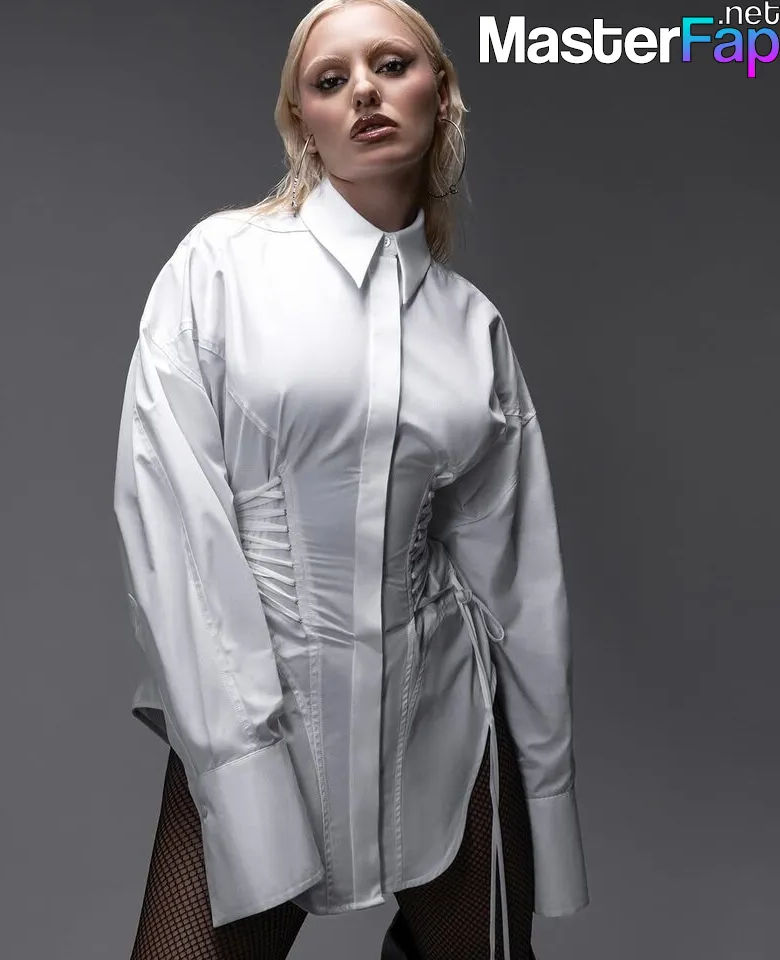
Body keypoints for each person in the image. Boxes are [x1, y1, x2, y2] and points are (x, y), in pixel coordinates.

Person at [112, 1, 590, 958]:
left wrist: (546, 796)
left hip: (444, 730)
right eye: (331, 80)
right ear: (304, 121)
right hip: (260, 724)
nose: (364, 91)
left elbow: (519, 581)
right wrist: (239, 761)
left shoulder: (472, 326)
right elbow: (177, 526)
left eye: (392, 65)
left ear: (441, 95)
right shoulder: (220, 268)